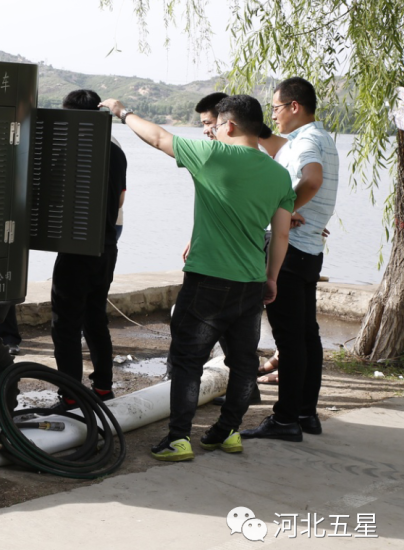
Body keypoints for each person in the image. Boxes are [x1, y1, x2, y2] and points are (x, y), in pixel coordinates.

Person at [99, 94, 295, 462]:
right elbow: (281, 235)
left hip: (207, 280)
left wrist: (121, 112)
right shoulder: (279, 173)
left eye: (216, 125)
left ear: (230, 126)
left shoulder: (212, 155)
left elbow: (158, 138)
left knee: (188, 360)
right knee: (242, 361)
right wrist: (271, 278)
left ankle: (179, 438)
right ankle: (229, 432)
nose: (213, 132)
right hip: (251, 282)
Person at [242, 77, 339, 442]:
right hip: (310, 249)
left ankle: (284, 420)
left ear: (294, 106)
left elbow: (311, 179)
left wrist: (282, 210)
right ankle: (305, 414)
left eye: (277, 108)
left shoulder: (305, 141)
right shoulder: (322, 137)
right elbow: (283, 150)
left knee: (290, 338)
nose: (275, 115)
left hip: (291, 248)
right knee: (306, 334)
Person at [45, 90, 127, 411]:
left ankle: (70, 395)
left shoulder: (70, 149)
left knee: (64, 324)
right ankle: (103, 388)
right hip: (107, 247)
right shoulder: (116, 151)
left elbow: (49, 196)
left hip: (76, 249)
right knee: (95, 319)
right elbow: (120, 199)